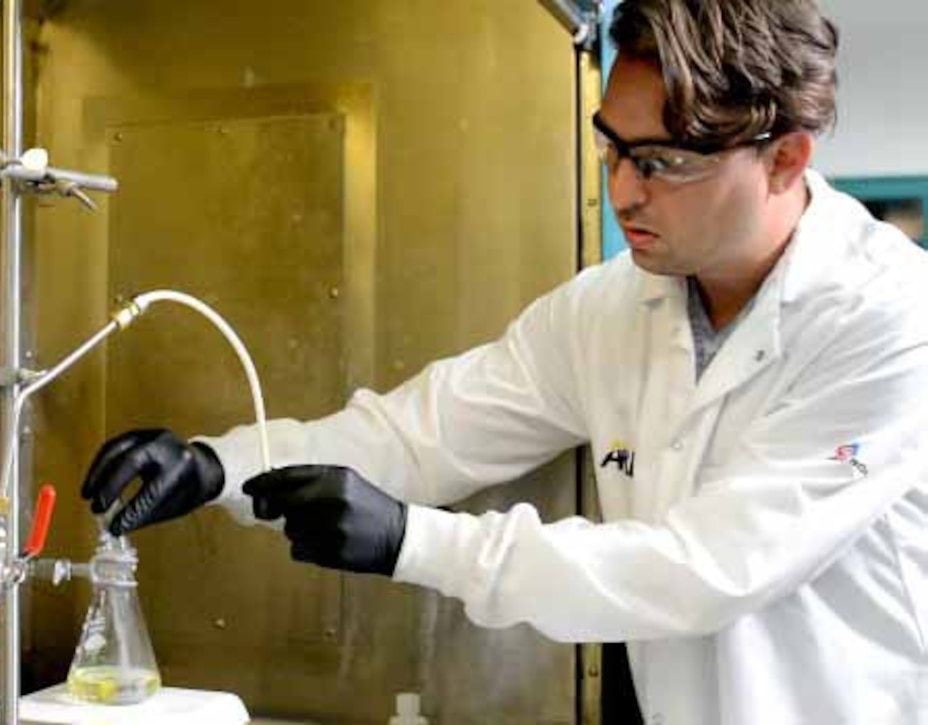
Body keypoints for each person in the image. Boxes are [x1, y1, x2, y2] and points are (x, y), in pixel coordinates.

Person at [81, 1, 928, 722]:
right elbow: (422, 435)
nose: (625, 192)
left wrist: (415, 542)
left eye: (661, 162)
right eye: (612, 149)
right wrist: (216, 464)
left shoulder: (886, 315)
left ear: (784, 158)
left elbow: (708, 568)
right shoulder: (610, 307)